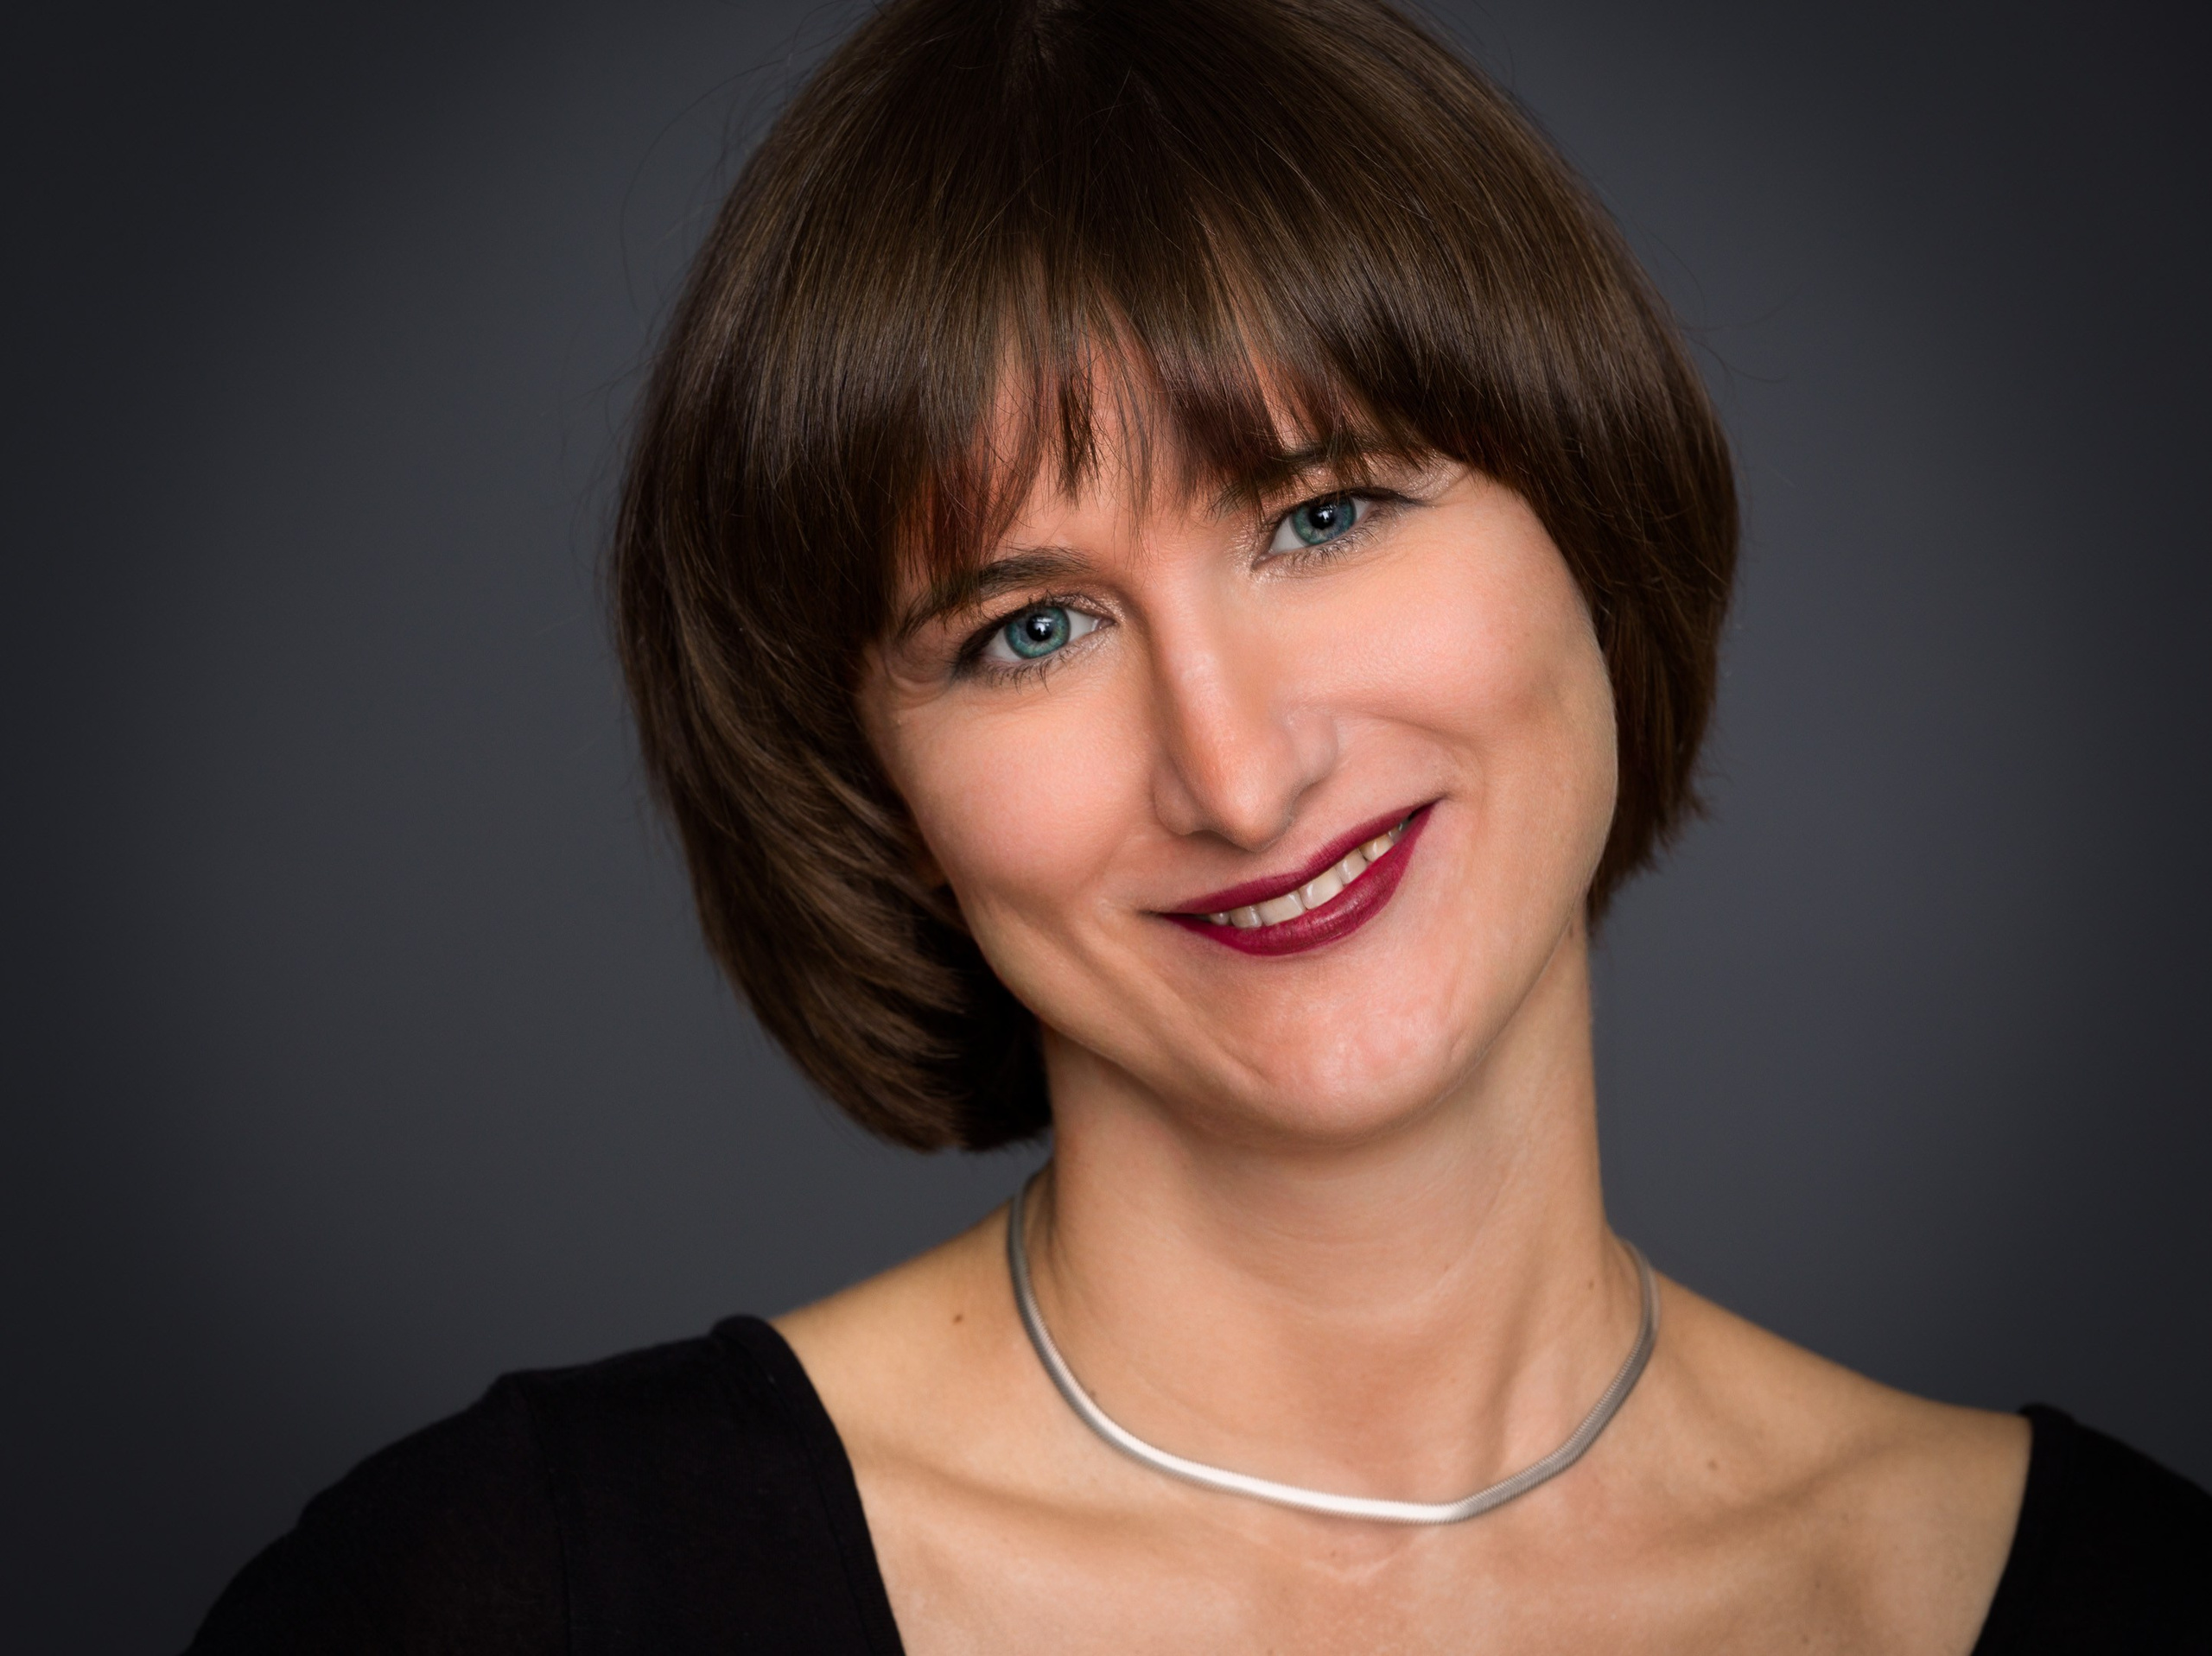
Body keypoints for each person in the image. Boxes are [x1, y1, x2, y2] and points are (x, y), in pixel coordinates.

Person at [188, 0, 2211, 1649]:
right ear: (877, 794)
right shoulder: (505, 1598)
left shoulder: (2119, 1592)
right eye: (1029, 629)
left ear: (1589, 523)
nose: (1236, 772)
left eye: (1319, 513)